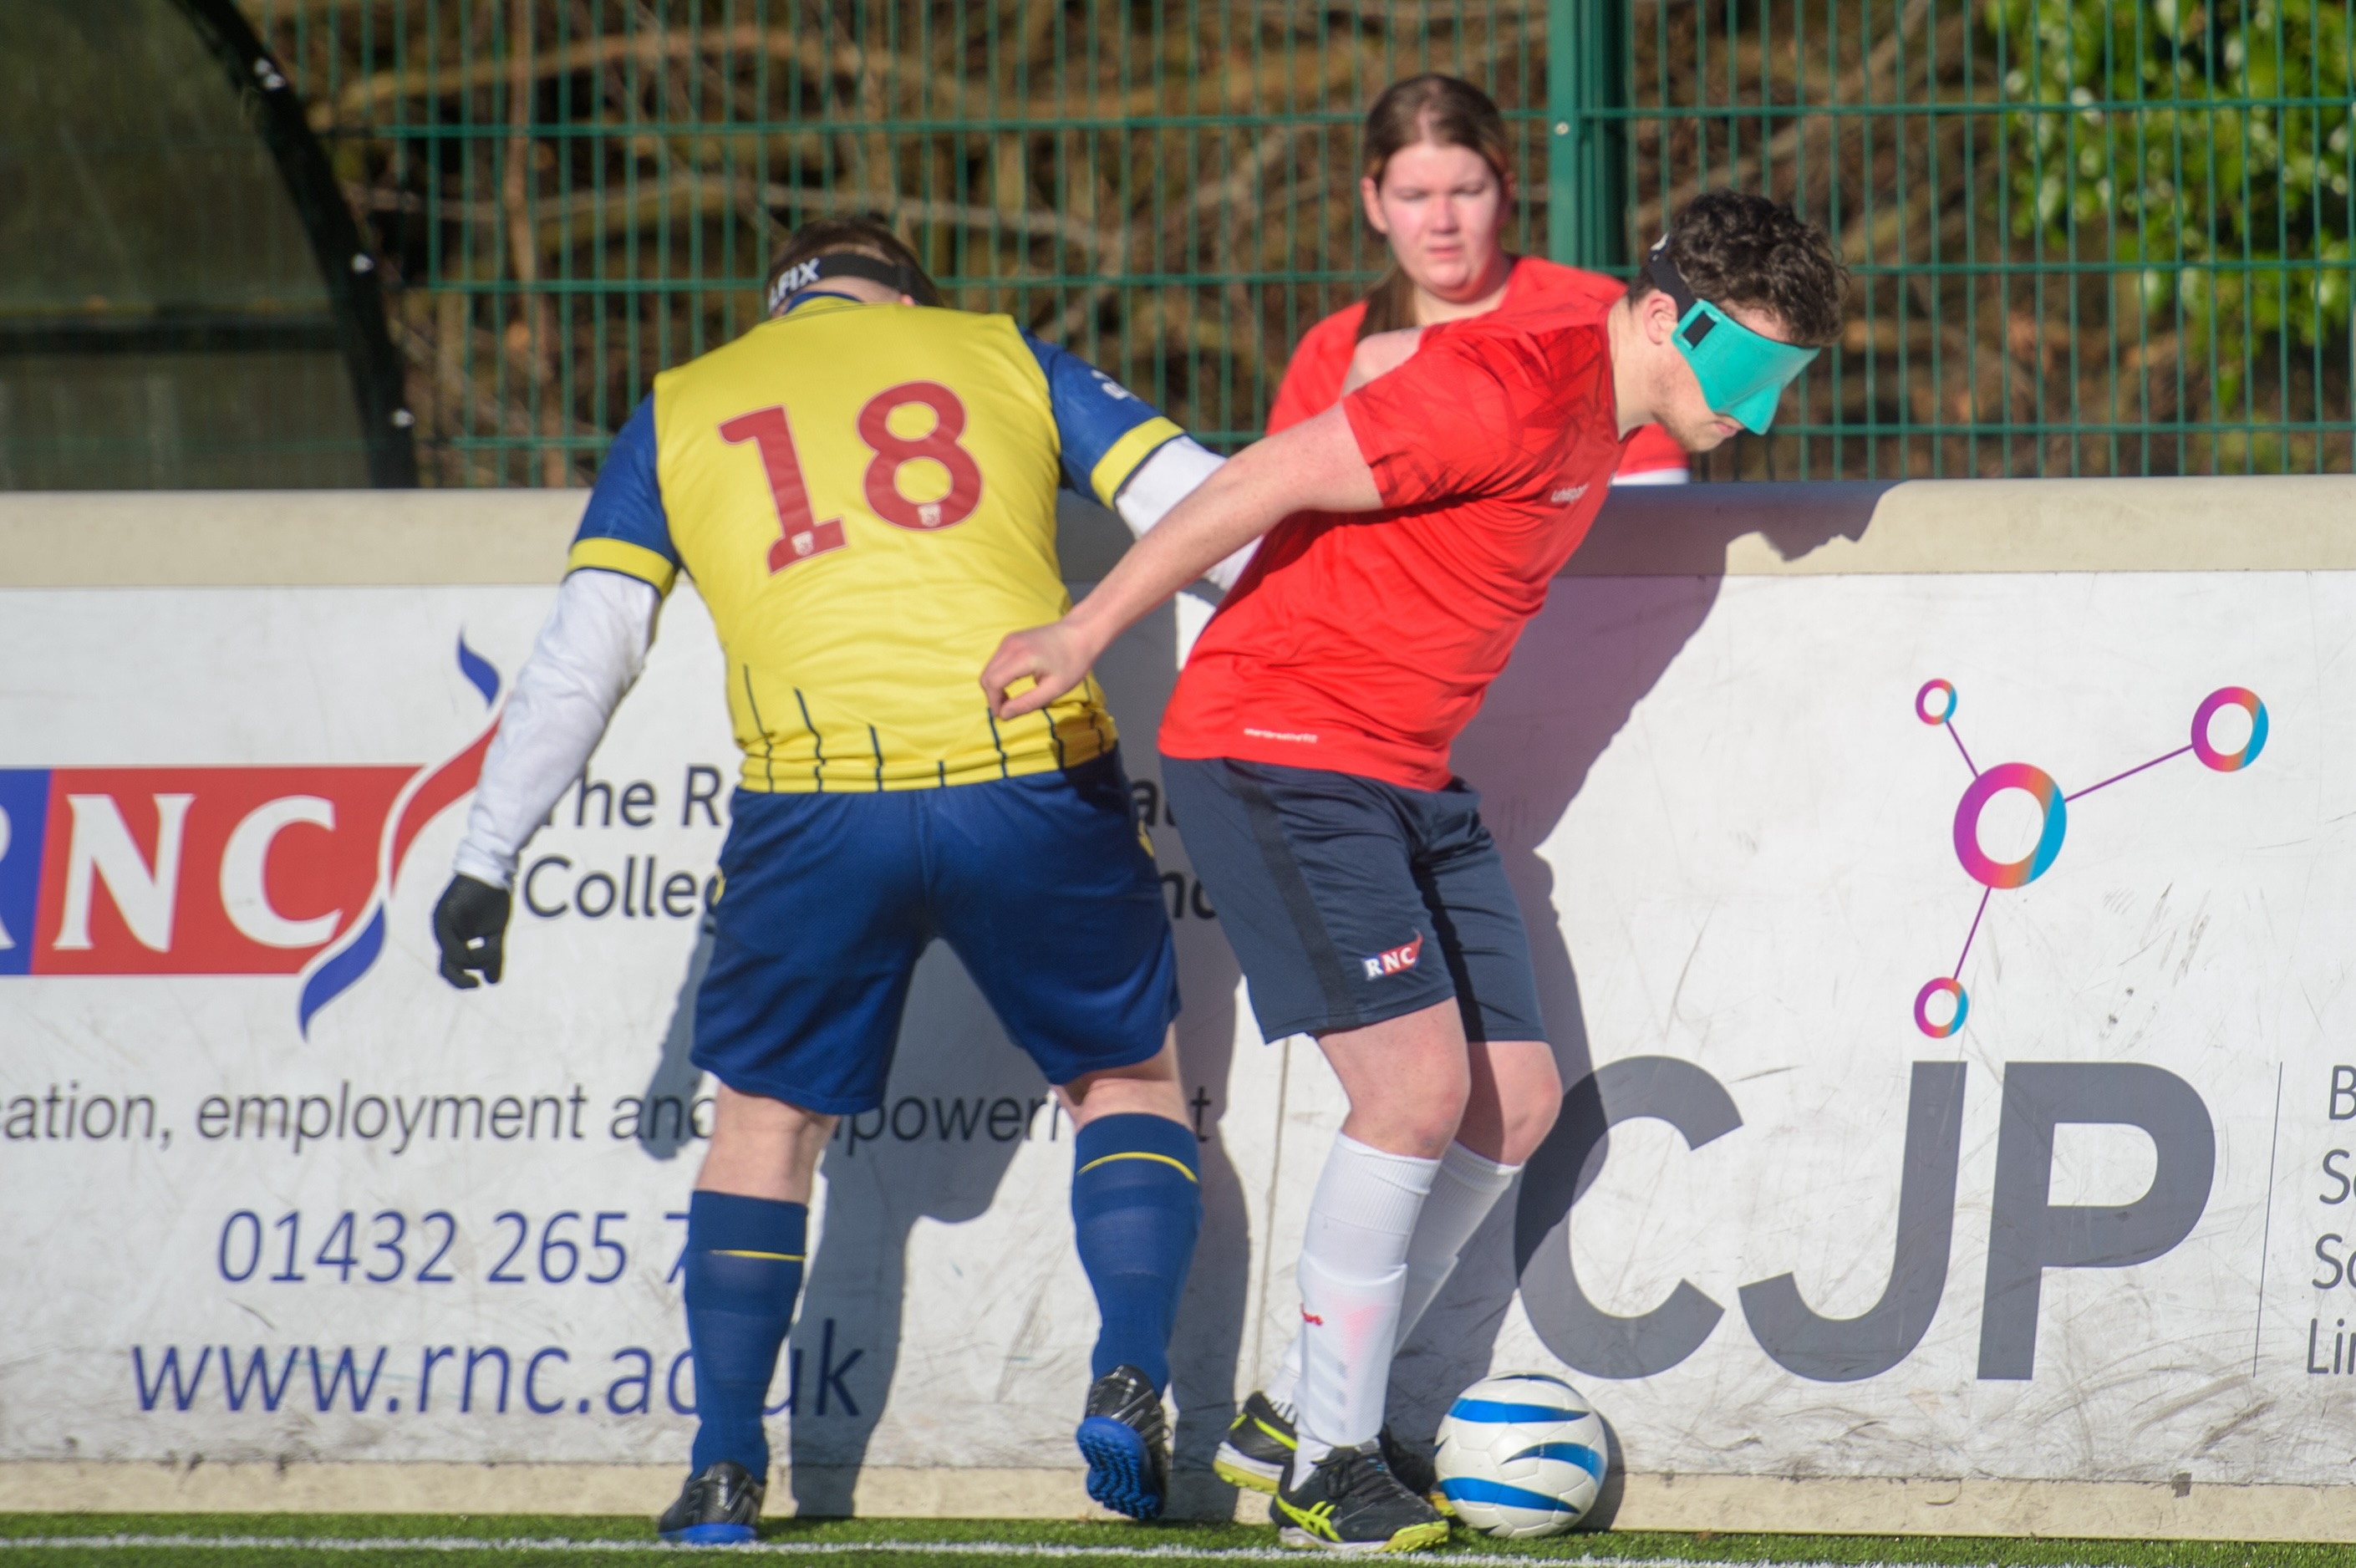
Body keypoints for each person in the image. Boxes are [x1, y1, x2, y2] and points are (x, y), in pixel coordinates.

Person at [983, 190, 1848, 1552]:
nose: (1760, 412)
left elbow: (1422, 352)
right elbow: (1259, 476)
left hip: (1399, 776)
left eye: (1781, 377)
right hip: (1274, 749)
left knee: (1510, 1105)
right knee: (1413, 1090)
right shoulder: (1504, 394)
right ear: (1661, 318)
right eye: (1748, 367)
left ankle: (1312, 1404)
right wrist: (1084, 630)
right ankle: (1329, 1468)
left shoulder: (1583, 387)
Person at [430, 215, 1228, 1541]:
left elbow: (589, 649)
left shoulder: (684, 404)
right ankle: (1130, 1369)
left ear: (779, 308)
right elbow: (1199, 501)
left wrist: (484, 854)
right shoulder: (997, 355)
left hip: (815, 803)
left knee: (762, 1124)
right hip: (1022, 765)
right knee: (1124, 1080)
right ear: (908, 299)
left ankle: (727, 1467)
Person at [1265, 74, 1688, 486]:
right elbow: (1284, 517)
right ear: (1374, 203)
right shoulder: (1331, 353)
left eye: (1467, 191)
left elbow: (1652, 502)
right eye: (1414, 196)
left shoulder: (1603, 316)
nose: (1442, 222)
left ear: (1505, 194)